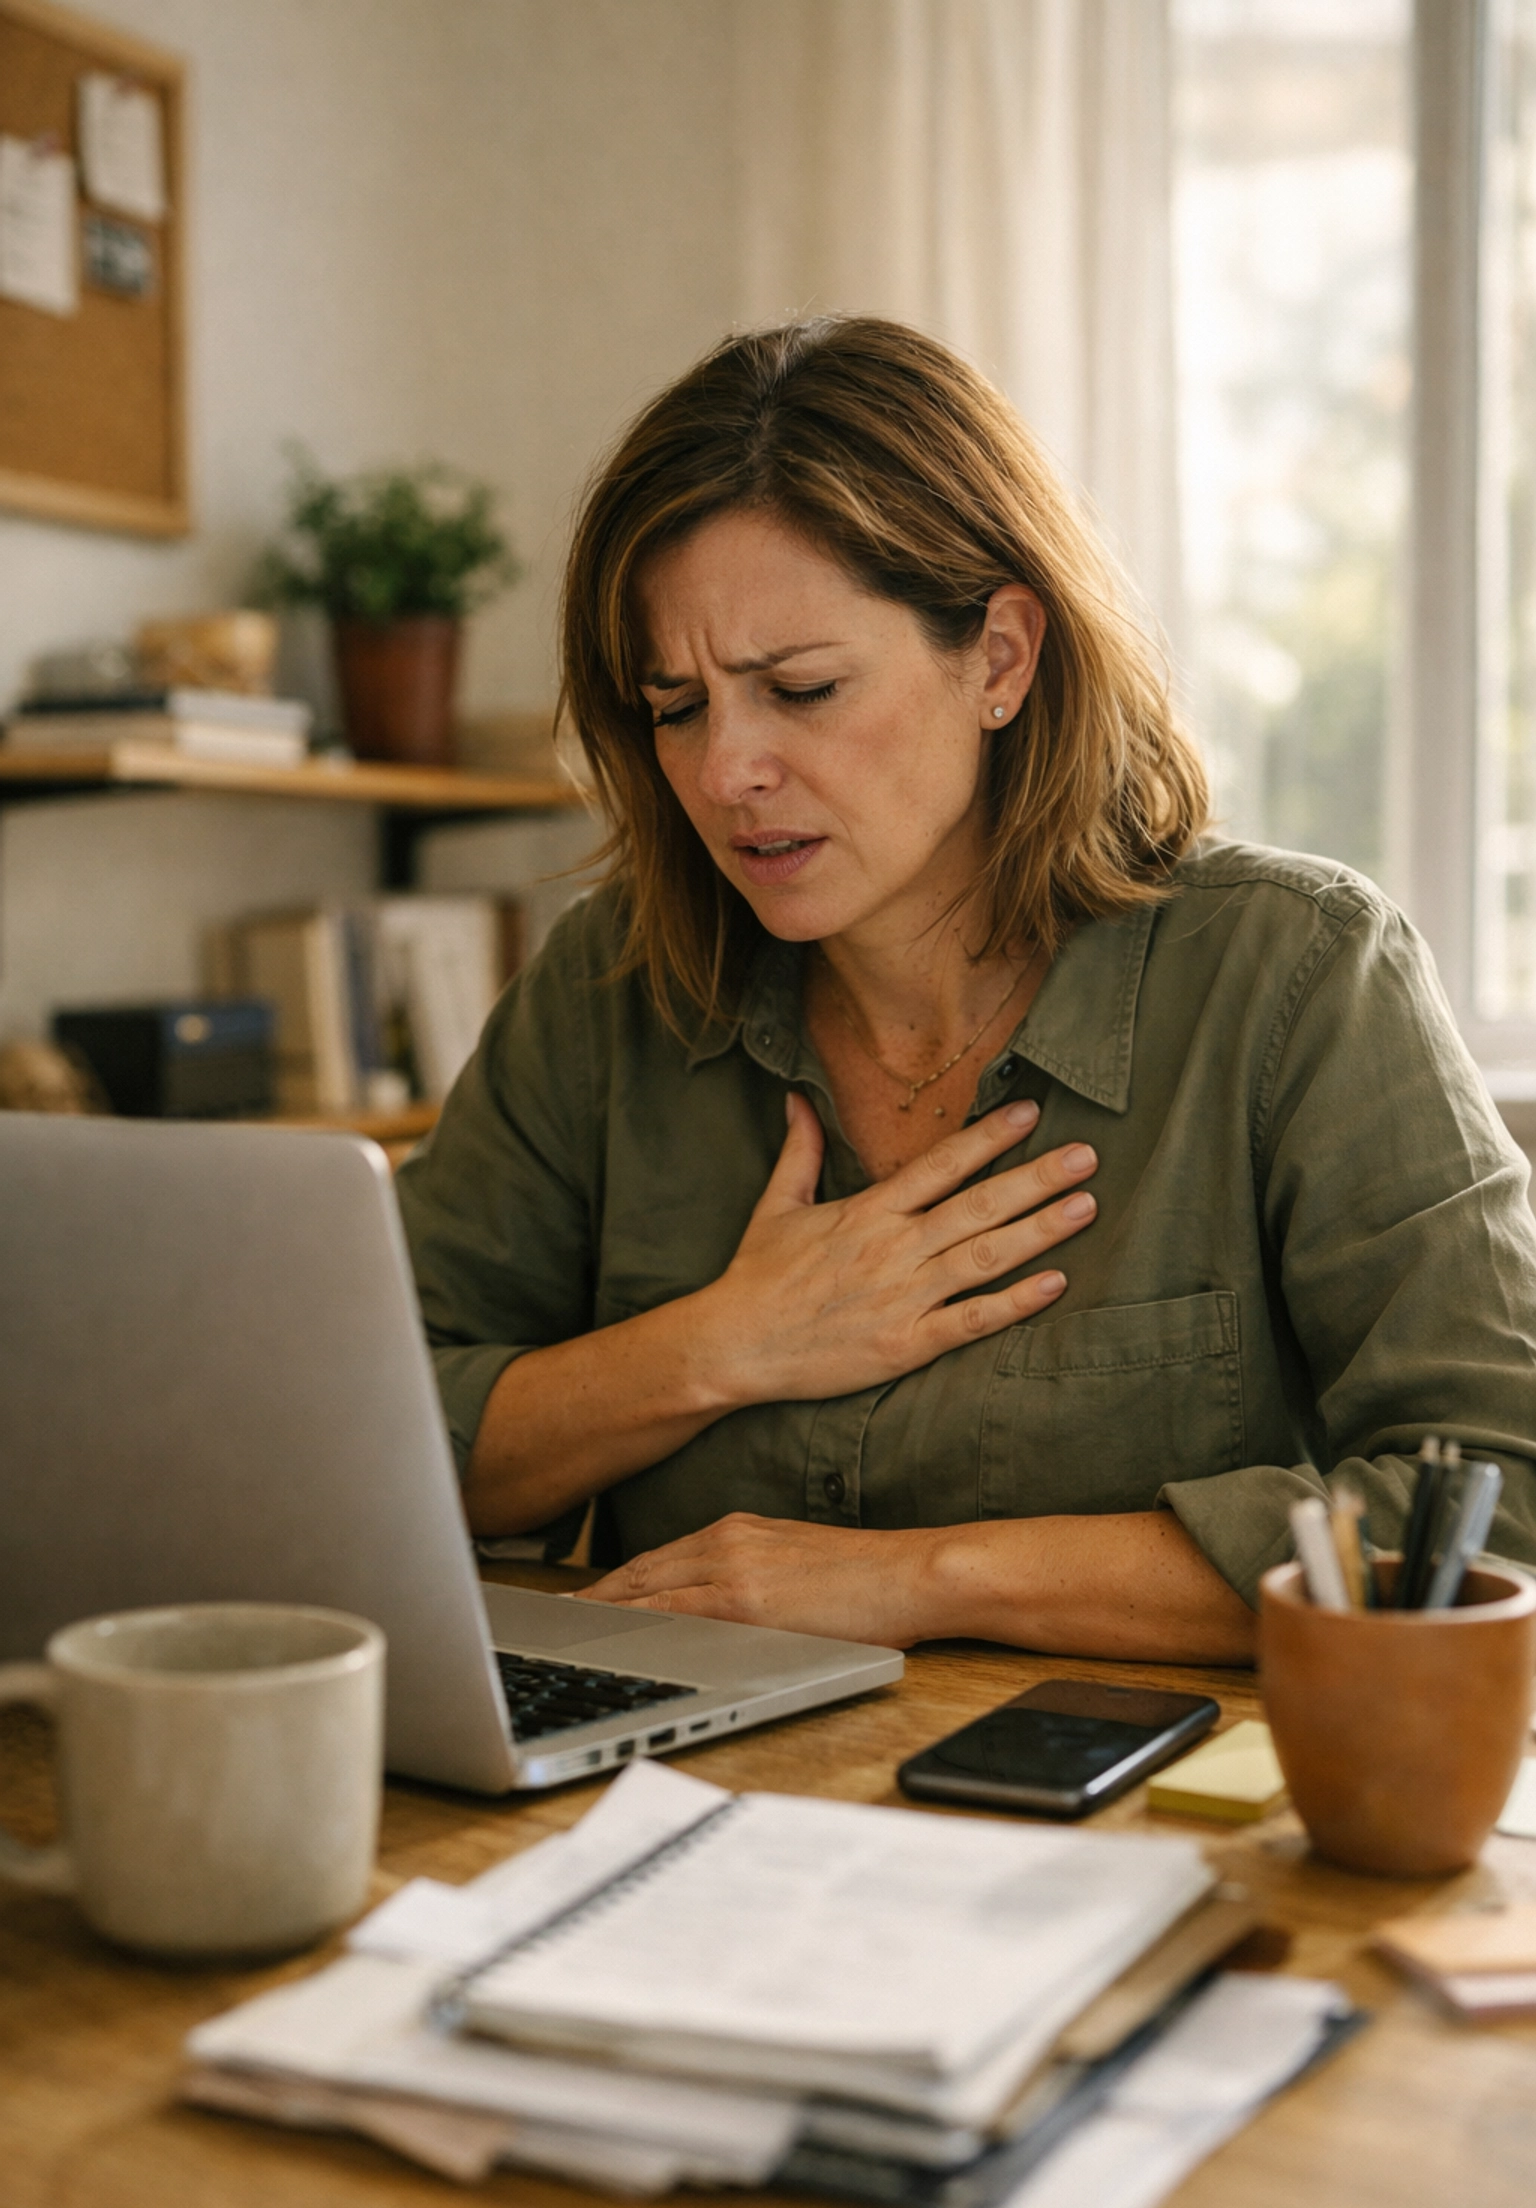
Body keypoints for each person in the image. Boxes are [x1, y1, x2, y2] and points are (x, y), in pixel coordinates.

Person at [397, 315, 1536, 1666]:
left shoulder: (1297, 976)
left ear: (998, 658)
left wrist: (923, 1579)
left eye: (800, 690)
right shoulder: (607, 988)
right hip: (689, 1808)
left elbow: (1492, 1518)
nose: (724, 772)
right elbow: (351, 1440)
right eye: (678, 705)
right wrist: (718, 1347)